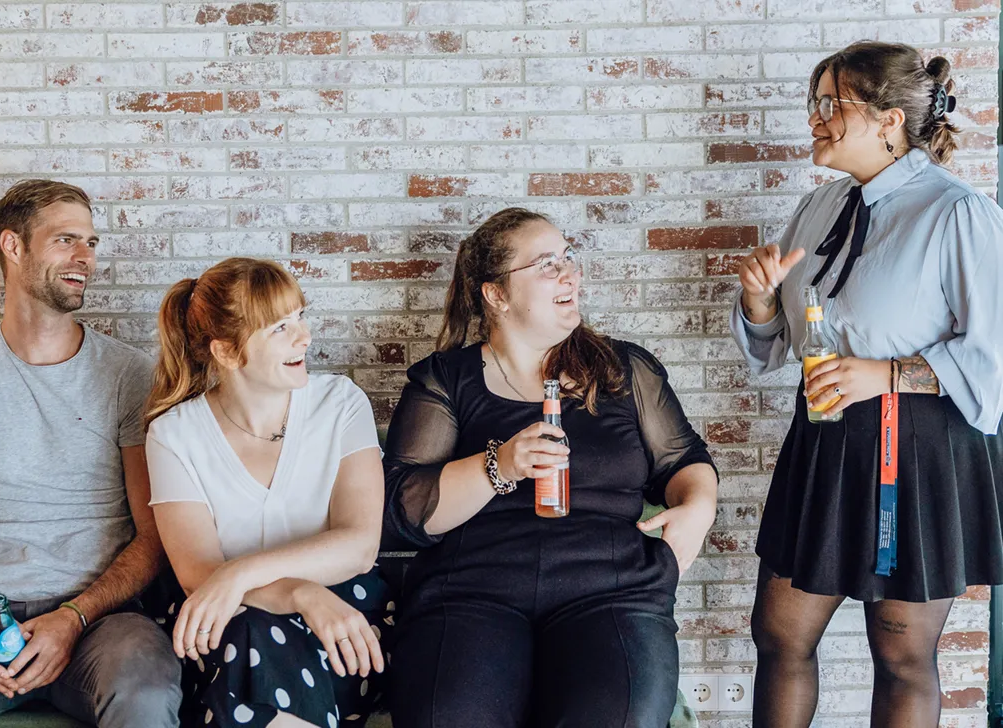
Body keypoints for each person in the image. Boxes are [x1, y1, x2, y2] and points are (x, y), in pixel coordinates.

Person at [730, 42, 1003, 728]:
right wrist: (762, 303)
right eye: (814, 102)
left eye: (832, 103)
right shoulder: (820, 207)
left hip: (915, 454)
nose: (815, 117)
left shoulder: (958, 212)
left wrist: (885, 374)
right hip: (822, 441)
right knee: (781, 634)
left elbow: (994, 357)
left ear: (887, 121)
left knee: (902, 657)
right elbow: (783, 345)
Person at [382, 208, 719, 728]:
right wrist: (501, 465)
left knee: (621, 716)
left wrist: (698, 507)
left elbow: (684, 460)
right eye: (546, 264)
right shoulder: (445, 381)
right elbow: (406, 509)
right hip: (472, 591)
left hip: (612, 589)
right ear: (497, 294)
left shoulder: (622, 369)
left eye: (568, 257)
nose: (569, 273)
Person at [0, 180, 181, 727]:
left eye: (91, 242)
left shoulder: (129, 375)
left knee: (145, 700)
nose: (86, 257)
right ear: (13, 247)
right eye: (66, 240)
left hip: (104, 621)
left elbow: (155, 533)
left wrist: (74, 617)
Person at [144, 258, 391, 728]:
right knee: (247, 632)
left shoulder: (340, 404)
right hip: (232, 627)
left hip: (344, 621)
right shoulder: (174, 436)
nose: (305, 336)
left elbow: (360, 545)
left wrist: (241, 573)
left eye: (301, 315)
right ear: (227, 352)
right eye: (280, 327)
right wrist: (299, 592)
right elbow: (201, 577)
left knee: (252, 648)